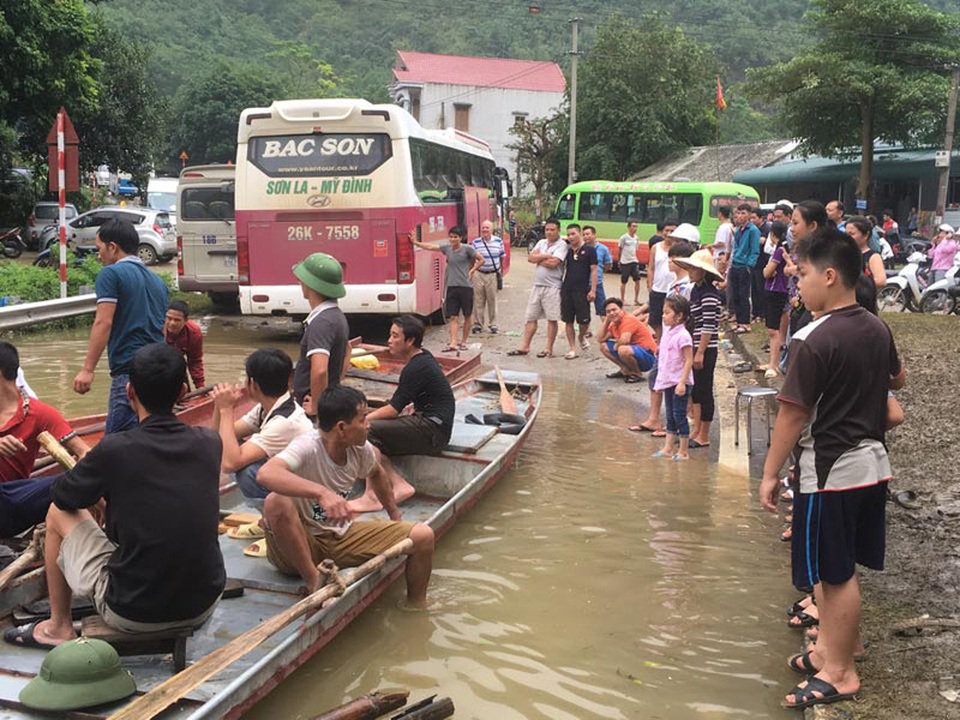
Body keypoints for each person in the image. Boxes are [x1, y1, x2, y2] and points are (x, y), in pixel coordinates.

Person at [759, 227, 904, 710]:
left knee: (833, 573)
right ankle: (832, 648)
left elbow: (793, 412)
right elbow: (894, 382)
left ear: (829, 274)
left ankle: (840, 671)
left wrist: (768, 472)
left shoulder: (812, 338)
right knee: (840, 566)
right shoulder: (876, 327)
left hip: (831, 470)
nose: (797, 284)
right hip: (872, 465)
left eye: (801, 275)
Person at [6, 344, 226, 648]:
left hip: (133, 611)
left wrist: (96, 485)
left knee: (57, 512)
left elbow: (62, 495)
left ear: (129, 392)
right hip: (204, 605)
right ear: (182, 392)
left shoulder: (115, 449)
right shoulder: (210, 442)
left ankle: (59, 627)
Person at [258, 385, 435, 606]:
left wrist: (395, 516)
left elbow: (378, 474)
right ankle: (314, 581)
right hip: (298, 548)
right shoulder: (307, 446)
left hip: (338, 537)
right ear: (342, 428)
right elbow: (266, 474)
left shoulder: (361, 450)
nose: (368, 425)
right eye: (363, 419)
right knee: (276, 501)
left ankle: (417, 606)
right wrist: (321, 493)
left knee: (423, 536)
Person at [73, 218, 167, 434]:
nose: (99, 256)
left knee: (117, 441)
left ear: (112, 247)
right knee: (151, 434)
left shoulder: (110, 274)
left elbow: (103, 321)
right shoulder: (158, 282)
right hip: (158, 370)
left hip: (129, 370)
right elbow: (162, 330)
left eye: (99, 249)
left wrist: (88, 369)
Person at [0, 342, 89, 538]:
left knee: (68, 482)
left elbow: (85, 453)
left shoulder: (39, 413)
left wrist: (86, 481)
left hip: (10, 506)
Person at [212, 348, 312, 501]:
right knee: (230, 443)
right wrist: (219, 406)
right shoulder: (267, 408)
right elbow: (217, 437)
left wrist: (226, 410)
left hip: (305, 495)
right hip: (293, 479)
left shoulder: (285, 422)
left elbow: (229, 464)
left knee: (247, 472)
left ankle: (274, 518)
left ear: (252, 384)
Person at [673, 250, 723, 449]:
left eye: (694, 268)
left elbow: (708, 325)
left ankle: (704, 434)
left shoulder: (710, 294)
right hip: (694, 345)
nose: (691, 272)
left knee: (704, 390)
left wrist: (700, 351)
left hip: (706, 348)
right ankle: (697, 430)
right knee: (696, 390)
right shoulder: (695, 291)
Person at [292, 252, 349, 416]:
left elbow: (320, 370)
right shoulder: (336, 315)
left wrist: (317, 407)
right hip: (327, 401)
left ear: (310, 285)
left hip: (309, 411)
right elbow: (347, 352)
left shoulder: (321, 323)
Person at [412, 226, 482, 352]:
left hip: (466, 287)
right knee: (453, 317)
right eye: (451, 237)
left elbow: (481, 259)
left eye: (455, 237)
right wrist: (416, 243)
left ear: (461, 238)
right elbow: (432, 247)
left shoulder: (467, 249)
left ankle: (464, 341)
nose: (453, 239)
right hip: (452, 286)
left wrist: (472, 270)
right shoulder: (447, 249)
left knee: (467, 315)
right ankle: (453, 342)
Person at [508, 218, 568, 358]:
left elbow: (554, 263)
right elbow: (530, 258)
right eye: (547, 229)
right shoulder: (541, 242)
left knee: (552, 319)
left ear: (558, 230)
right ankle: (525, 346)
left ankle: (548, 348)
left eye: (552, 230)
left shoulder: (562, 245)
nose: (549, 232)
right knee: (531, 317)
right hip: (537, 286)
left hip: (553, 287)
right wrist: (546, 255)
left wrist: (539, 259)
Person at [651, 296, 694, 462]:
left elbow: (689, 359)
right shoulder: (669, 332)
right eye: (664, 313)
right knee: (670, 415)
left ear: (679, 316)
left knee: (679, 415)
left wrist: (683, 382)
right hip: (669, 380)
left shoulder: (683, 336)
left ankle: (683, 450)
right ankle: (668, 447)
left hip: (679, 382)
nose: (664, 316)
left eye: (667, 313)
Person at [559, 224, 597, 360]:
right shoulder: (567, 250)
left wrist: (593, 289)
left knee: (584, 320)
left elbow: (594, 270)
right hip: (567, 289)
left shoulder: (590, 250)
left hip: (582, 290)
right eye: (568, 234)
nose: (570, 237)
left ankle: (581, 336)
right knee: (568, 320)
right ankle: (572, 348)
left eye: (573, 234)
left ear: (579, 233)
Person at [762, 221, 794, 379]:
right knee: (780, 329)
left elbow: (767, 273)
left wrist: (766, 270)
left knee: (772, 330)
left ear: (772, 234)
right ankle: (774, 362)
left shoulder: (779, 250)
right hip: (783, 291)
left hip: (774, 291)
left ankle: (773, 364)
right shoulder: (786, 249)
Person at [598, 298, 657, 384]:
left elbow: (625, 340)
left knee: (622, 349)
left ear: (621, 309)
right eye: (608, 311)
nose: (612, 313)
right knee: (603, 346)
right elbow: (600, 338)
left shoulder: (628, 319)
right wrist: (607, 321)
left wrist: (617, 345)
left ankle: (637, 373)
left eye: (614, 310)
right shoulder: (614, 323)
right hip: (635, 351)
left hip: (648, 355)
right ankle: (625, 369)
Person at [470, 220, 506, 334]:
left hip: (492, 274)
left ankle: (493, 324)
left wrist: (499, 271)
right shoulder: (475, 242)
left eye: (487, 228)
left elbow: (502, 257)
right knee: (478, 300)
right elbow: (472, 258)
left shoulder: (499, 241)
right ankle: (478, 324)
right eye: (483, 228)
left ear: (491, 229)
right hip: (479, 273)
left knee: (492, 300)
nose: (485, 230)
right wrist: (473, 271)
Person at [729, 203, 760, 334]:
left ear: (749, 215)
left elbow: (755, 250)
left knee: (743, 295)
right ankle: (739, 322)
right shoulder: (738, 230)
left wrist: (749, 265)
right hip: (735, 264)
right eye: (739, 213)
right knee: (735, 295)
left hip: (744, 266)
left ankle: (745, 323)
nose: (740, 216)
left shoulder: (753, 230)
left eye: (743, 213)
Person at [163, 299, 205, 390]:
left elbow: (195, 361)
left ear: (185, 320)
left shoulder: (194, 333)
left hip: (177, 366)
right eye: (169, 318)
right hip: (157, 367)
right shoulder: (156, 328)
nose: (172, 323)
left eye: (177, 320)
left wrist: (200, 386)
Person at [845, 216, 887, 288]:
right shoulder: (842, 254)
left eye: (852, 234)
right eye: (846, 234)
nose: (847, 237)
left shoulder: (873, 257)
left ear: (866, 235)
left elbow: (881, 281)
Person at [583, 225, 612, 319]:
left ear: (594, 235)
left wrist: (599, 272)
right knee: (583, 310)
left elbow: (608, 264)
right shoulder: (581, 248)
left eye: (588, 234)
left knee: (602, 309)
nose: (586, 236)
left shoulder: (603, 249)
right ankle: (587, 331)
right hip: (583, 283)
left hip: (597, 283)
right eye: (583, 234)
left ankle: (607, 331)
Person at [749, 208, 770, 324]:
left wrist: (765, 240)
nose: (752, 220)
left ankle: (762, 314)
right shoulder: (753, 229)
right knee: (754, 289)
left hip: (762, 263)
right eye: (751, 218)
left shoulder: (766, 229)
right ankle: (755, 312)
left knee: (760, 289)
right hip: (754, 263)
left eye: (754, 218)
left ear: (761, 218)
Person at [618, 220, 643, 305]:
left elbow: (635, 249)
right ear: (629, 227)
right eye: (633, 226)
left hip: (634, 261)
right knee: (624, 281)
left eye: (636, 226)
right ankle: (622, 299)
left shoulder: (636, 238)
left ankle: (636, 299)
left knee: (637, 280)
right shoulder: (624, 237)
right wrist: (619, 260)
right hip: (625, 262)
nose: (635, 228)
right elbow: (620, 249)